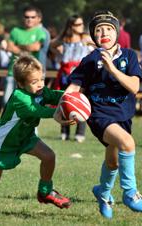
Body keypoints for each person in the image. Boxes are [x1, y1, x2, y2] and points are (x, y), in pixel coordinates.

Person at [54, 10, 142, 219]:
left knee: (113, 161)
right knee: (128, 143)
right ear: (94, 36)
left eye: (108, 28)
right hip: (99, 115)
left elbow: (134, 86)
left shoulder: (129, 56)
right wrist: (59, 111)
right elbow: (73, 88)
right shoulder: (89, 59)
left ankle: (102, 193)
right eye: (98, 30)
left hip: (123, 116)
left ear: (116, 32)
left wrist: (112, 68)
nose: (104, 32)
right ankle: (130, 192)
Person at [0, 55, 72, 210]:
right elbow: (35, 110)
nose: (40, 85)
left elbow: (55, 96)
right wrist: (56, 114)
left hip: (25, 137)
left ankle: (45, 192)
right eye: (34, 82)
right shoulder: (19, 96)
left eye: (41, 79)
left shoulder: (41, 92)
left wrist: (72, 96)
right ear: (20, 83)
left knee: (49, 156)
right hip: (4, 142)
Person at [50, 14, 92, 142]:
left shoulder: (85, 38)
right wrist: (59, 53)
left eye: (82, 24)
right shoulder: (64, 38)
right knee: (65, 101)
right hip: (65, 74)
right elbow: (51, 45)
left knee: (80, 101)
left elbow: (98, 46)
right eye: (78, 24)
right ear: (71, 26)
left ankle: (80, 133)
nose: (81, 27)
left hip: (80, 75)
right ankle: (64, 132)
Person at [4, 6, 47, 106]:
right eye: (27, 17)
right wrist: (26, 48)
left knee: (31, 103)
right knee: (7, 101)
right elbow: (9, 47)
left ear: (38, 18)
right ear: (23, 18)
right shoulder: (15, 31)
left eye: (32, 17)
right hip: (13, 71)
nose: (29, 19)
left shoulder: (40, 32)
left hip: (32, 74)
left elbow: (36, 47)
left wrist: (18, 45)